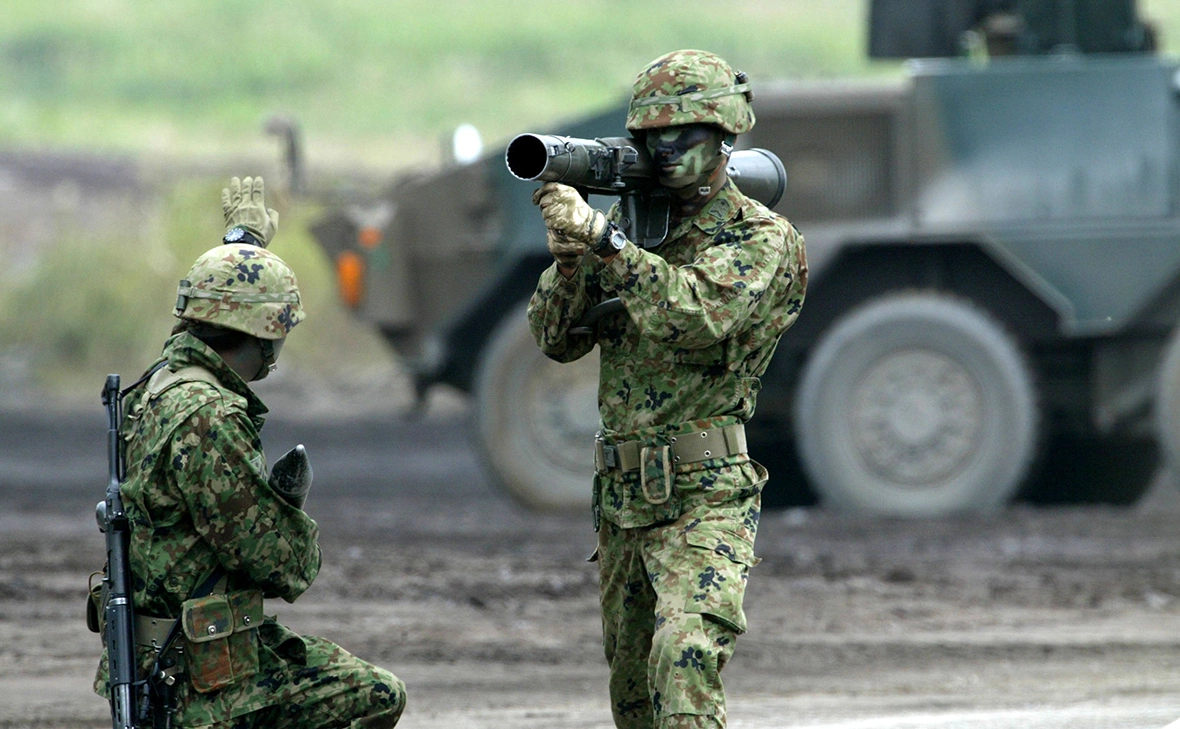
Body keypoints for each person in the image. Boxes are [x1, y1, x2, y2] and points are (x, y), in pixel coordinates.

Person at [527, 51, 807, 729]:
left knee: (683, 661)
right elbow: (556, 338)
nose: (666, 150)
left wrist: (605, 240)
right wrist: (570, 265)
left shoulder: (760, 239)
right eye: (653, 138)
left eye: (685, 135)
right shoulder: (631, 235)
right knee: (634, 702)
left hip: (708, 493)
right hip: (624, 502)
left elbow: (695, 316)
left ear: (724, 137)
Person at [92, 177, 406, 728]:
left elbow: (216, 304)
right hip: (200, 680)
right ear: (263, 336)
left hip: (163, 653)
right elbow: (283, 566)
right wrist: (287, 505)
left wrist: (246, 241)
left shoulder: (159, 385)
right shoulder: (209, 418)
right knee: (377, 696)